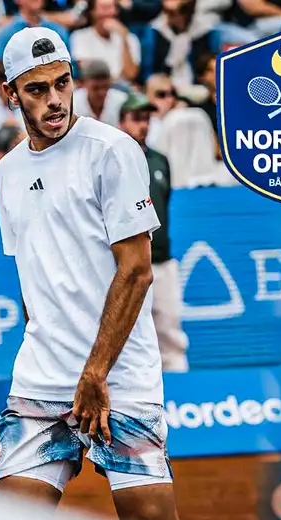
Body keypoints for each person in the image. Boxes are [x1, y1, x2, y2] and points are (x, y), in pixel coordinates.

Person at [0, 27, 217, 520]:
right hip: (42, 382)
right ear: (11, 95)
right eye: (37, 89)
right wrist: (45, 355)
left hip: (119, 378)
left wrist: (94, 373)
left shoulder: (113, 151)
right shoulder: (8, 171)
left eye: (62, 83)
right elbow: (32, 276)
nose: (54, 100)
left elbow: (137, 271)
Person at [119, 92, 188, 372]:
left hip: (161, 260)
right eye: (136, 118)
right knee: (126, 338)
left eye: (147, 118)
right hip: (125, 265)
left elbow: (164, 201)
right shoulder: (111, 161)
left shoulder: (160, 161)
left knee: (170, 334)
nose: (143, 125)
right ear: (122, 122)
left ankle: (181, 391)